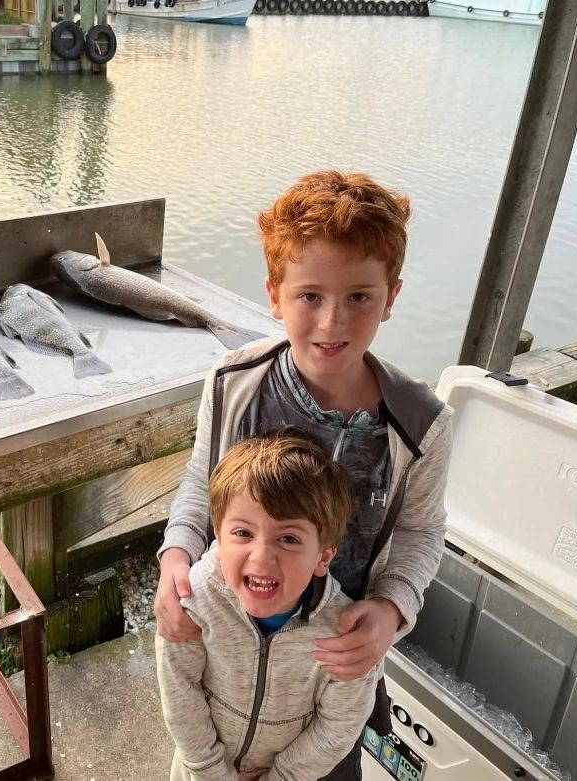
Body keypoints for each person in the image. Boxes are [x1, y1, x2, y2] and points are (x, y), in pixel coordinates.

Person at [155, 170, 453, 779]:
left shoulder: (423, 425)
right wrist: (175, 556)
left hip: (335, 658)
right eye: (310, 296)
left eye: (359, 297)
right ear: (275, 294)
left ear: (391, 296)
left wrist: (393, 609)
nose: (331, 323)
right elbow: (199, 480)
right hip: (230, 636)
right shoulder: (234, 383)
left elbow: (421, 534)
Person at [156, 432, 378, 781]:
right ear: (217, 532)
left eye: (288, 538)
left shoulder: (346, 635)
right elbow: (180, 693)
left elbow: (339, 726)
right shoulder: (195, 599)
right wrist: (212, 774)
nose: (261, 557)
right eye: (243, 533)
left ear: (323, 556)